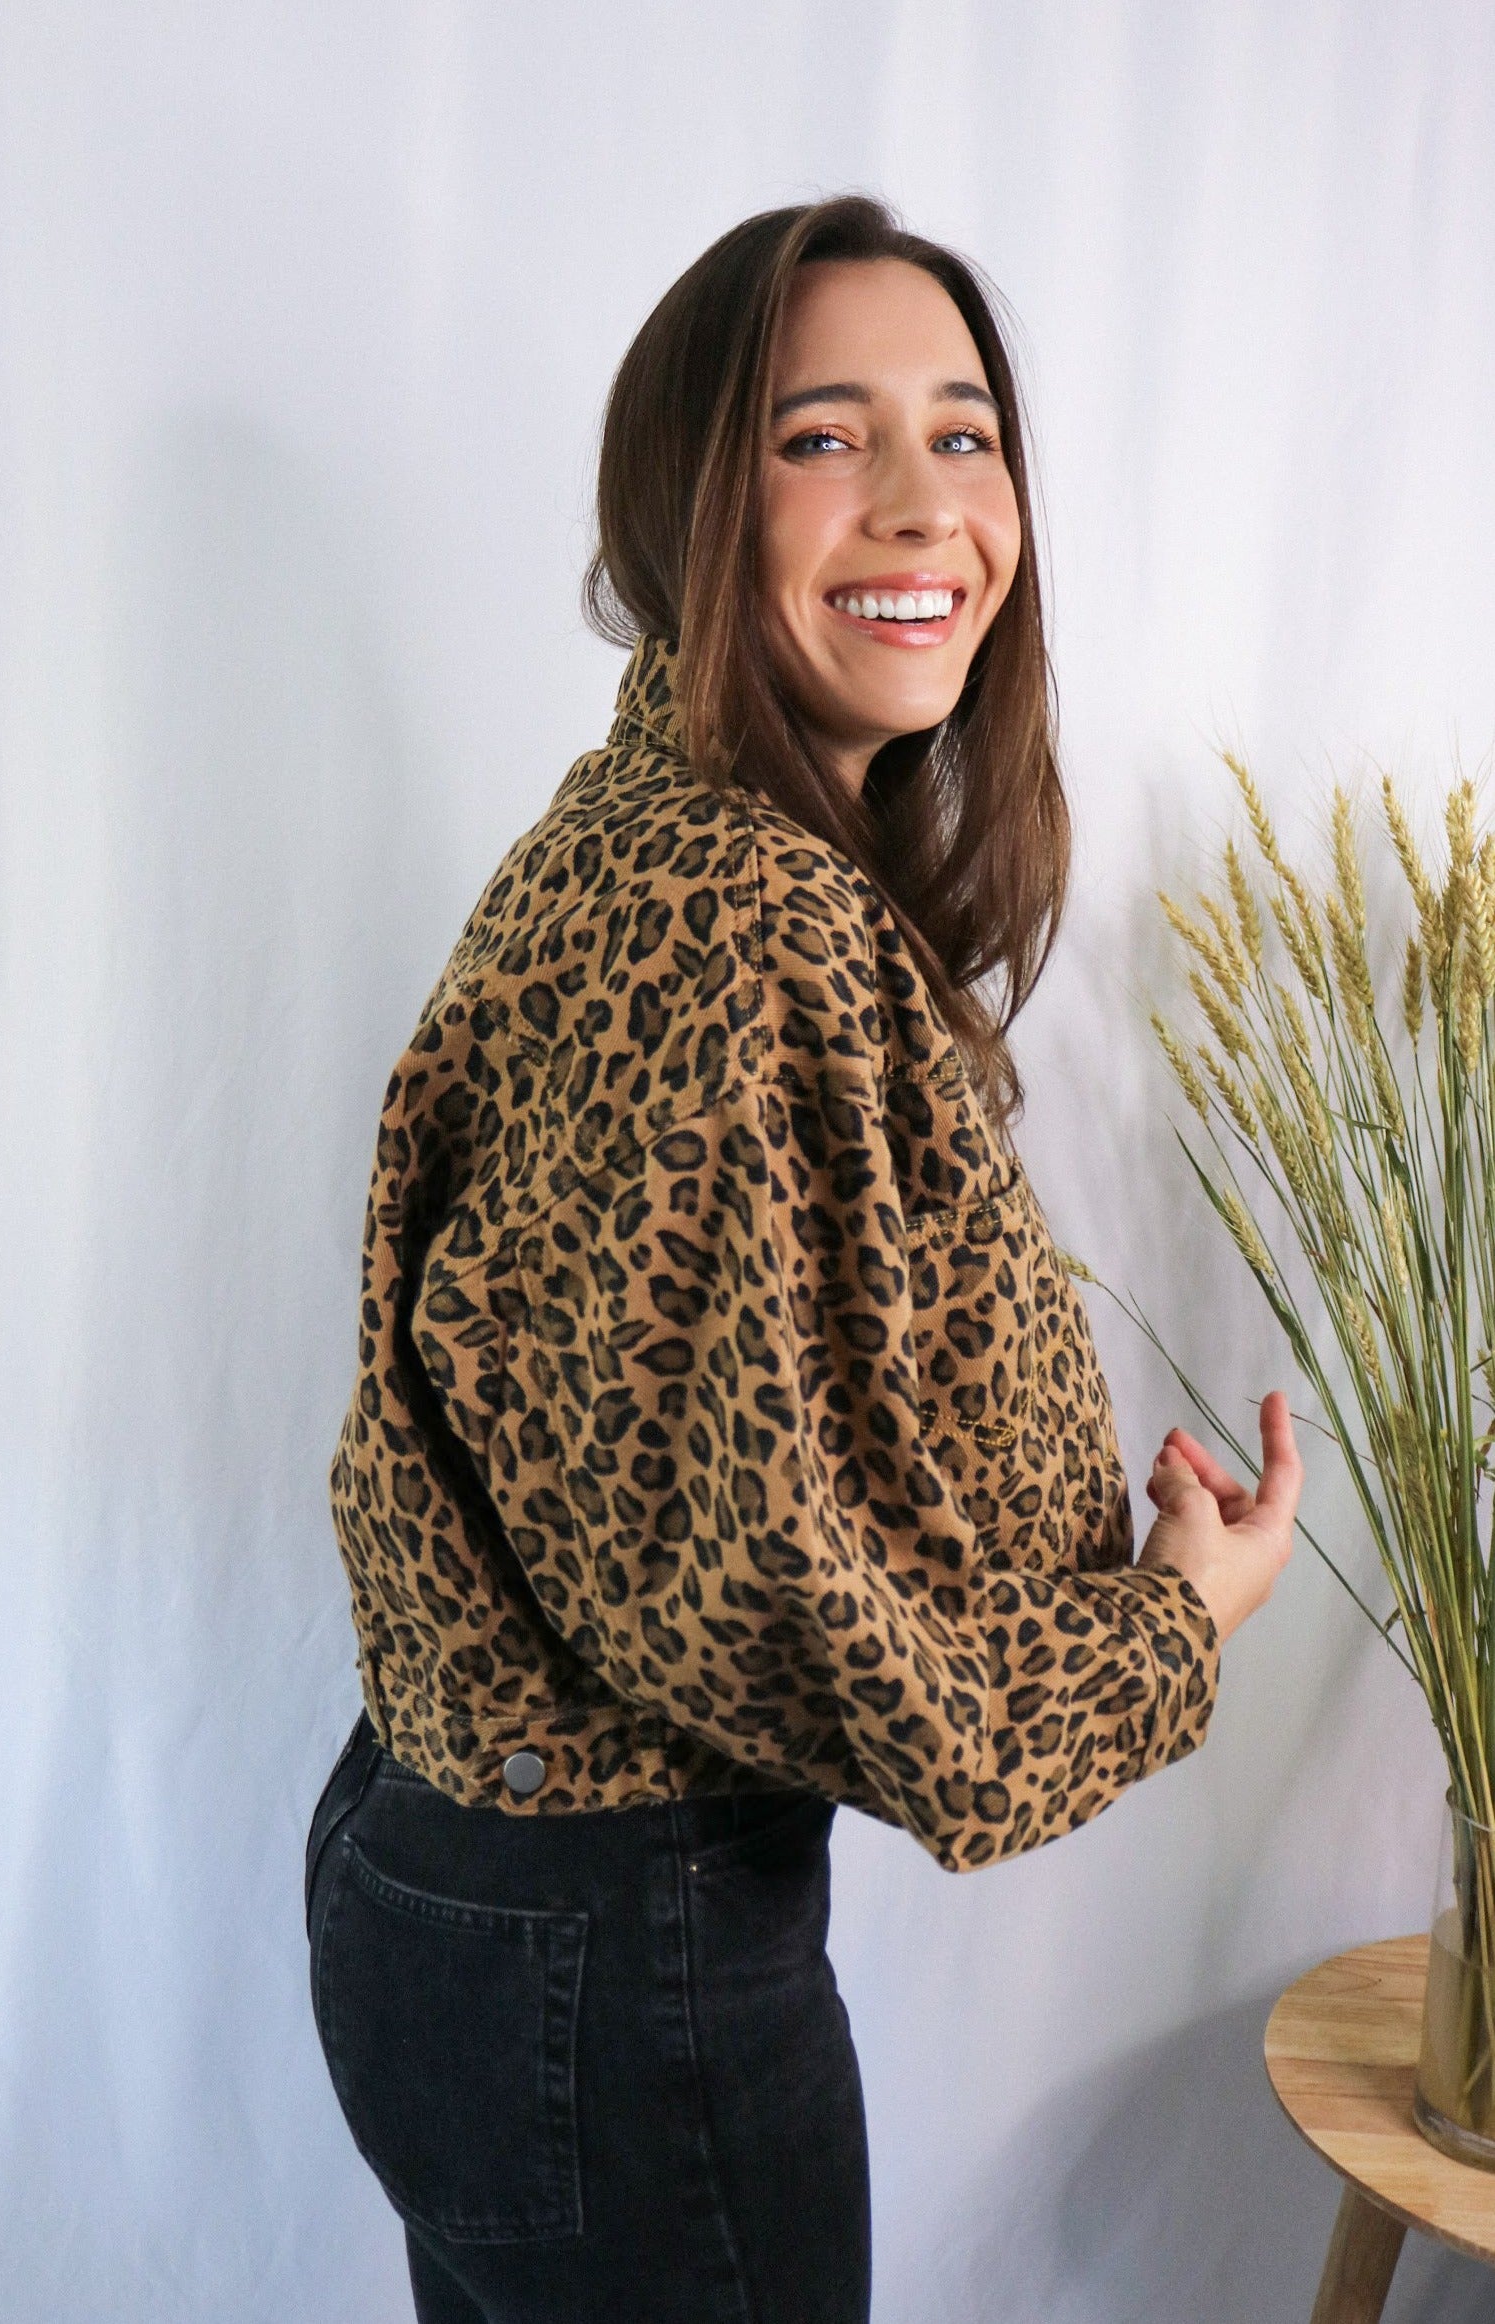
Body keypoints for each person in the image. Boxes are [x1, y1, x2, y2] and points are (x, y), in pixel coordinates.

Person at [302, 193, 1302, 2324]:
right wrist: (1169, 1627)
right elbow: (766, 1580)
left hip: (475, 1879)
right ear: (688, 496)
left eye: (961, 433)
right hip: (612, 1936)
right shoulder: (740, 916)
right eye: (819, 437)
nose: (921, 502)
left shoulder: (630, 838)